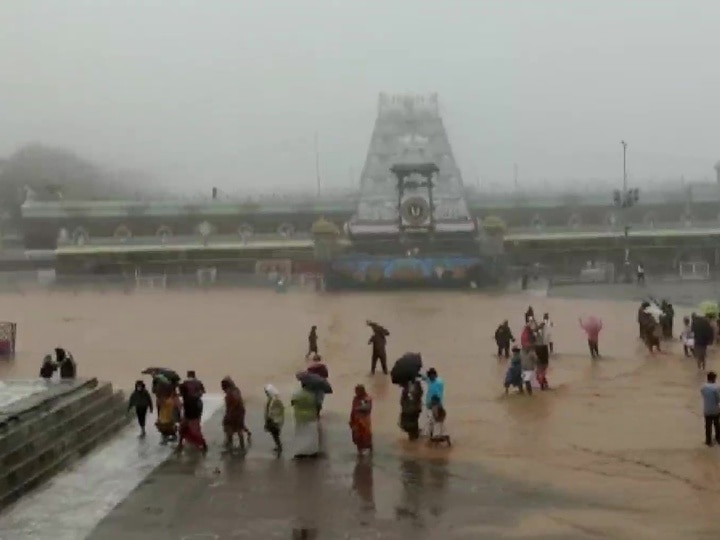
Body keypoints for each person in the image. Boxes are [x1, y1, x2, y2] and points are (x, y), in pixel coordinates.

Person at [291, 382, 321, 458]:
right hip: (311, 417)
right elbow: (318, 405)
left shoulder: (297, 393)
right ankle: (312, 451)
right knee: (311, 434)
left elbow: (292, 403)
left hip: (299, 417)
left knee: (300, 434)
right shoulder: (312, 394)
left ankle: (300, 451)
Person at [177, 376, 207, 453]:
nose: (180, 393)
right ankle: (180, 444)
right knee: (183, 430)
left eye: (180, 391)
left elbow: (192, 408)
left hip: (192, 417)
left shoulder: (189, 398)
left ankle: (203, 445)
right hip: (190, 416)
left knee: (194, 432)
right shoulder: (188, 397)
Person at [221, 377, 250, 452]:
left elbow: (230, 406)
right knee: (239, 428)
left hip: (234, 413)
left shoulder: (229, 394)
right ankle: (242, 446)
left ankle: (229, 445)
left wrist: (228, 415)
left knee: (229, 429)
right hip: (240, 412)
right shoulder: (236, 390)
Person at [349, 384, 373, 455]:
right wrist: (351, 419)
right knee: (357, 436)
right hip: (356, 419)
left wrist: (358, 408)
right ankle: (360, 451)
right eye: (355, 391)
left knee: (365, 435)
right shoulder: (355, 398)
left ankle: (369, 447)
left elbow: (367, 407)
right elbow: (352, 409)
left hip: (364, 420)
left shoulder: (366, 398)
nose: (356, 392)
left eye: (357, 391)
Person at [264, 384, 285, 455]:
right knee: (274, 434)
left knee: (275, 434)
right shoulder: (271, 399)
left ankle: (279, 446)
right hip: (271, 419)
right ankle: (278, 445)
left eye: (267, 392)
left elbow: (279, 410)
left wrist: (272, 417)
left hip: (274, 419)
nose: (266, 394)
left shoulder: (276, 400)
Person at [701, 371, 720, 447]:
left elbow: (703, 394)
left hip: (707, 410)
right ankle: (718, 438)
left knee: (708, 426)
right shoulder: (717, 387)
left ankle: (708, 441)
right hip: (715, 410)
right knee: (717, 424)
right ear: (714, 379)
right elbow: (718, 399)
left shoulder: (703, 387)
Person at [534, 323, 550, 390]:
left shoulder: (543, 335)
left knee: (540, 373)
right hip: (542, 353)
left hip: (541, 353)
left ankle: (543, 385)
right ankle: (544, 385)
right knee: (540, 373)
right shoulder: (541, 336)